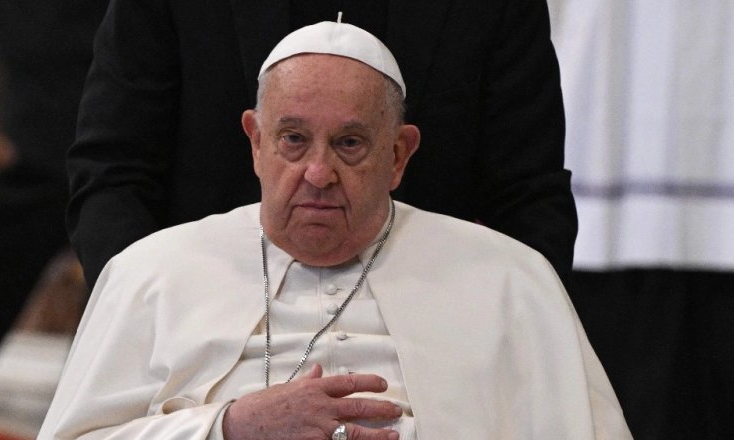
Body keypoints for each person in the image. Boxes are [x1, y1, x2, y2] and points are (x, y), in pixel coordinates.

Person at [20, 21, 652, 440]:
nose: (318, 173)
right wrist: (230, 433)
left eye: (350, 144)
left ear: (400, 154)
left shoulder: (508, 279)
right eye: (293, 140)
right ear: (255, 142)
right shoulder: (154, 275)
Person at [67, 0, 577, 291]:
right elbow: (113, 173)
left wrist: (500, 340)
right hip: (204, 327)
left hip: (425, 345)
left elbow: (530, 197)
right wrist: (153, 315)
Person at [0, 0, 106, 413]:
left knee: (98, 226)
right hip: (62, 43)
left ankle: (93, 397)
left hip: (80, 41)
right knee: (42, 201)